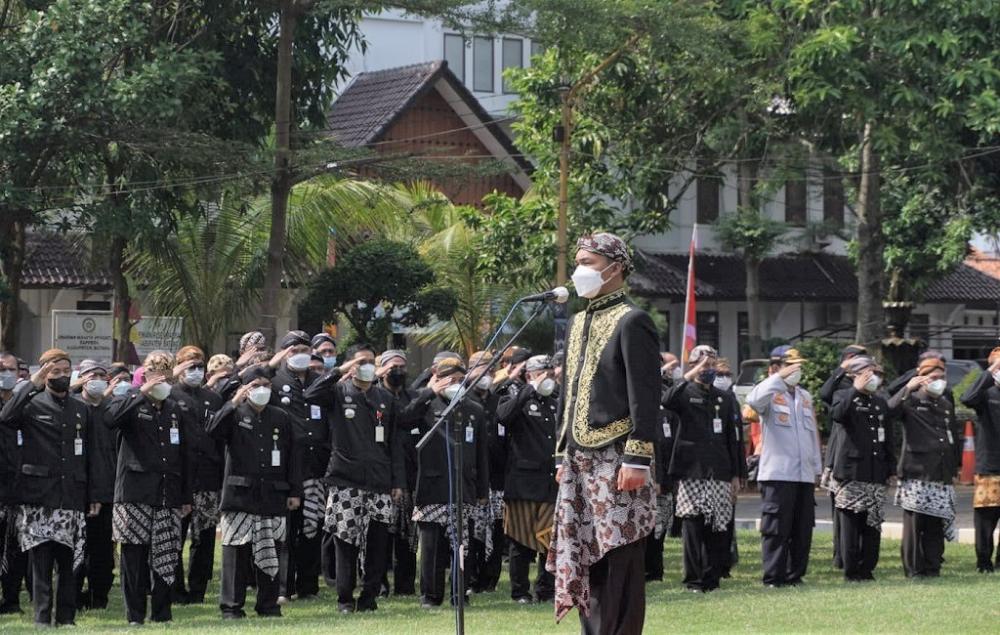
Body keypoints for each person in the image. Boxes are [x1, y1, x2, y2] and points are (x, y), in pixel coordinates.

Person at [548, 232, 659, 634]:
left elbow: (645, 394)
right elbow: (568, 394)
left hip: (617, 457)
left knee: (618, 559)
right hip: (579, 460)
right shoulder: (578, 321)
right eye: (577, 262)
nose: (580, 271)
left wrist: (638, 457)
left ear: (616, 269)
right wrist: (561, 455)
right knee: (585, 553)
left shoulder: (633, 320)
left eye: (589, 263)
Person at [0, 349, 106, 627]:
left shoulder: (80, 408)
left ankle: (67, 617)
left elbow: (91, 455)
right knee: (42, 563)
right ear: (44, 373)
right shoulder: (31, 404)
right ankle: (43, 618)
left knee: (70, 562)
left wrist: (93, 493)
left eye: (64, 370)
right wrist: (31, 384)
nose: (60, 376)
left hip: (71, 493)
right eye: (54, 371)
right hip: (38, 497)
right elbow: (6, 417)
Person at [303, 343, 400, 613]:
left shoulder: (385, 398)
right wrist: (340, 371)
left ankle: (369, 597)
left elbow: (394, 444)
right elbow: (310, 395)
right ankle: (345, 598)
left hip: (379, 481)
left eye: (371, 361)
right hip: (346, 480)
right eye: (361, 361)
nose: (366, 366)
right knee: (345, 541)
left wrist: (398, 482)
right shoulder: (337, 391)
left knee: (378, 543)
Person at [207, 366, 302, 619]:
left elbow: (293, 456)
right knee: (236, 554)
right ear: (244, 388)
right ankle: (232, 607)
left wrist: (295, 490)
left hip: (273, 495)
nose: (262, 390)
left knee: (270, 553)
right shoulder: (234, 413)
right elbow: (212, 432)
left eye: (266, 385)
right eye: (255, 385)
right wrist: (232, 403)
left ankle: (268, 604)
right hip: (239, 495)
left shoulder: (281, 417)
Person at [106, 351, 193, 625]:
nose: (163, 382)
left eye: (167, 377)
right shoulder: (130, 402)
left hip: (167, 493)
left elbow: (186, 455)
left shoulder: (174, 409)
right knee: (133, 557)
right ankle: (134, 615)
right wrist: (141, 392)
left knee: (167, 555)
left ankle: (162, 613)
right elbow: (110, 419)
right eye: (157, 376)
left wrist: (186, 496)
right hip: (133, 494)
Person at [399, 357, 489, 608]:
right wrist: (429, 392)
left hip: (464, 486)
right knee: (431, 548)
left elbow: (482, 454)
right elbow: (403, 419)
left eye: (461, 380)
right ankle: (430, 595)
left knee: (462, 546)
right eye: (450, 379)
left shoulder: (474, 409)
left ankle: (459, 594)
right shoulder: (425, 403)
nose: (456, 384)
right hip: (432, 486)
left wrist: (482, 489)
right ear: (437, 378)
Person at [664, 345, 742, 593]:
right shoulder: (684, 392)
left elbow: (734, 437)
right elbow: (666, 400)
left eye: (711, 366)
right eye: (703, 365)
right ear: (692, 365)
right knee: (693, 525)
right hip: (692, 470)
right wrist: (691, 373)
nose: (708, 370)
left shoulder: (725, 398)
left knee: (718, 526)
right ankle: (694, 580)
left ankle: (712, 578)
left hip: (719, 470)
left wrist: (737, 474)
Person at [746, 347, 822, 588]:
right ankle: (774, 576)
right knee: (777, 528)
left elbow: (812, 436)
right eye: (790, 366)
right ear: (775, 368)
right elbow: (753, 400)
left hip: (804, 474)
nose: (796, 371)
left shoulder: (805, 396)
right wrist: (777, 379)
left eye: (798, 366)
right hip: (778, 473)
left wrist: (817, 469)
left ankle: (795, 575)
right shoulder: (769, 394)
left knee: (802, 529)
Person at [889, 356, 961, 577]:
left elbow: (951, 437)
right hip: (916, 470)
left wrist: (954, 466)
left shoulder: (945, 403)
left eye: (942, 377)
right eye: (934, 377)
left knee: (935, 523)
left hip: (940, 471)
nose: (939, 381)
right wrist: (906, 389)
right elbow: (889, 411)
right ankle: (913, 569)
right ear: (923, 379)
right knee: (915, 524)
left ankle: (932, 566)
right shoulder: (910, 400)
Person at [496, 354, 557, 604]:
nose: (549, 378)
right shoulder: (515, 397)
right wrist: (528, 389)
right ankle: (520, 592)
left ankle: (546, 589)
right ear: (530, 375)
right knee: (521, 540)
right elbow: (502, 416)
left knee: (550, 539)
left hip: (550, 482)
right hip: (523, 482)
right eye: (543, 373)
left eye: (551, 374)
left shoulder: (555, 402)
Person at [827, 356, 895, 582]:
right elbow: (837, 415)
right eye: (867, 373)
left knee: (873, 522)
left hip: (875, 471)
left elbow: (888, 439)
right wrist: (855, 390)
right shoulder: (843, 396)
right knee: (851, 524)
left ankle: (867, 568)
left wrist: (890, 468)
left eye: (875, 374)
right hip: (851, 472)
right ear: (855, 376)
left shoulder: (880, 402)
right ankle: (851, 570)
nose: (872, 378)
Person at [268, 330, 323, 603]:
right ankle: (283, 588)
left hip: (314, 468)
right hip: (286, 468)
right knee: (286, 532)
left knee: (311, 528)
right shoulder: (275, 381)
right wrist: (269, 364)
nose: (300, 355)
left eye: (305, 349)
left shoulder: (319, 381)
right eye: (294, 350)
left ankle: (308, 586)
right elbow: (242, 382)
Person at [169, 345, 224, 605]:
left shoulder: (212, 398)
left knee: (204, 539)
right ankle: (176, 590)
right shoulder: (170, 395)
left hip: (207, 478)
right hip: (179, 479)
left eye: (199, 366)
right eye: (190, 366)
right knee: (175, 538)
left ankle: (198, 591)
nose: (196, 371)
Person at [73, 360, 119, 610]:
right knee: (78, 548)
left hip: (108, 490)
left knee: (102, 550)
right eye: (92, 375)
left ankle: (98, 596)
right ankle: (75, 593)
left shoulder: (112, 409)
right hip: (77, 490)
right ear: (81, 379)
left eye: (103, 375)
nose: (98, 379)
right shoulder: (74, 407)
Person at [818, 343, 868, 570]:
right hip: (840, 455)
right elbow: (824, 394)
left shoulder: (870, 383)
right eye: (858, 360)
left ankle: (859, 553)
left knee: (864, 511)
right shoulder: (841, 384)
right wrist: (841, 370)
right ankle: (841, 555)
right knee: (841, 509)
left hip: (865, 455)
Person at [376, 350, 418, 596]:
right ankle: (380, 584)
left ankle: (405, 585)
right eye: (393, 367)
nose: (399, 371)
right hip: (381, 474)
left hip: (409, 474)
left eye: (402, 366)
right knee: (380, 536)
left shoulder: (411, 397)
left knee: (407, 537)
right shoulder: (373, 396)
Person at [959, 346, 1000, 572]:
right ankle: (984, 562)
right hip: (989, 467)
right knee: (985, 520)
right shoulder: (985, 394)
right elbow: (967, 397)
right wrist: (990, 371)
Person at [467, 350, 503, 595]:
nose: (487, 374)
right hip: (471, 477)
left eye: (491, 369)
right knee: (472, 533)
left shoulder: (499, 399)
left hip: (498, 475)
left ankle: (490, 579)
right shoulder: (462, 399)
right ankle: (471, 577)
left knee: (497, 530)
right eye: (481, 368)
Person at [646, 352, 680, 582]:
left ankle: (655, 571)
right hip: (646, 474)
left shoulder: (666, 393)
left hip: (667, 473)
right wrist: (655, 477)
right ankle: (646, 571)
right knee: (646, 528)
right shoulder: (638, 395)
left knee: (661, 526)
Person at [0, 350, 28, 615]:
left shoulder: (26, 406)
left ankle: (11, 600)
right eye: (1, 369)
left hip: (19, 491)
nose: (7, 374)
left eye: (11, 369)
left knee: (16, 549)